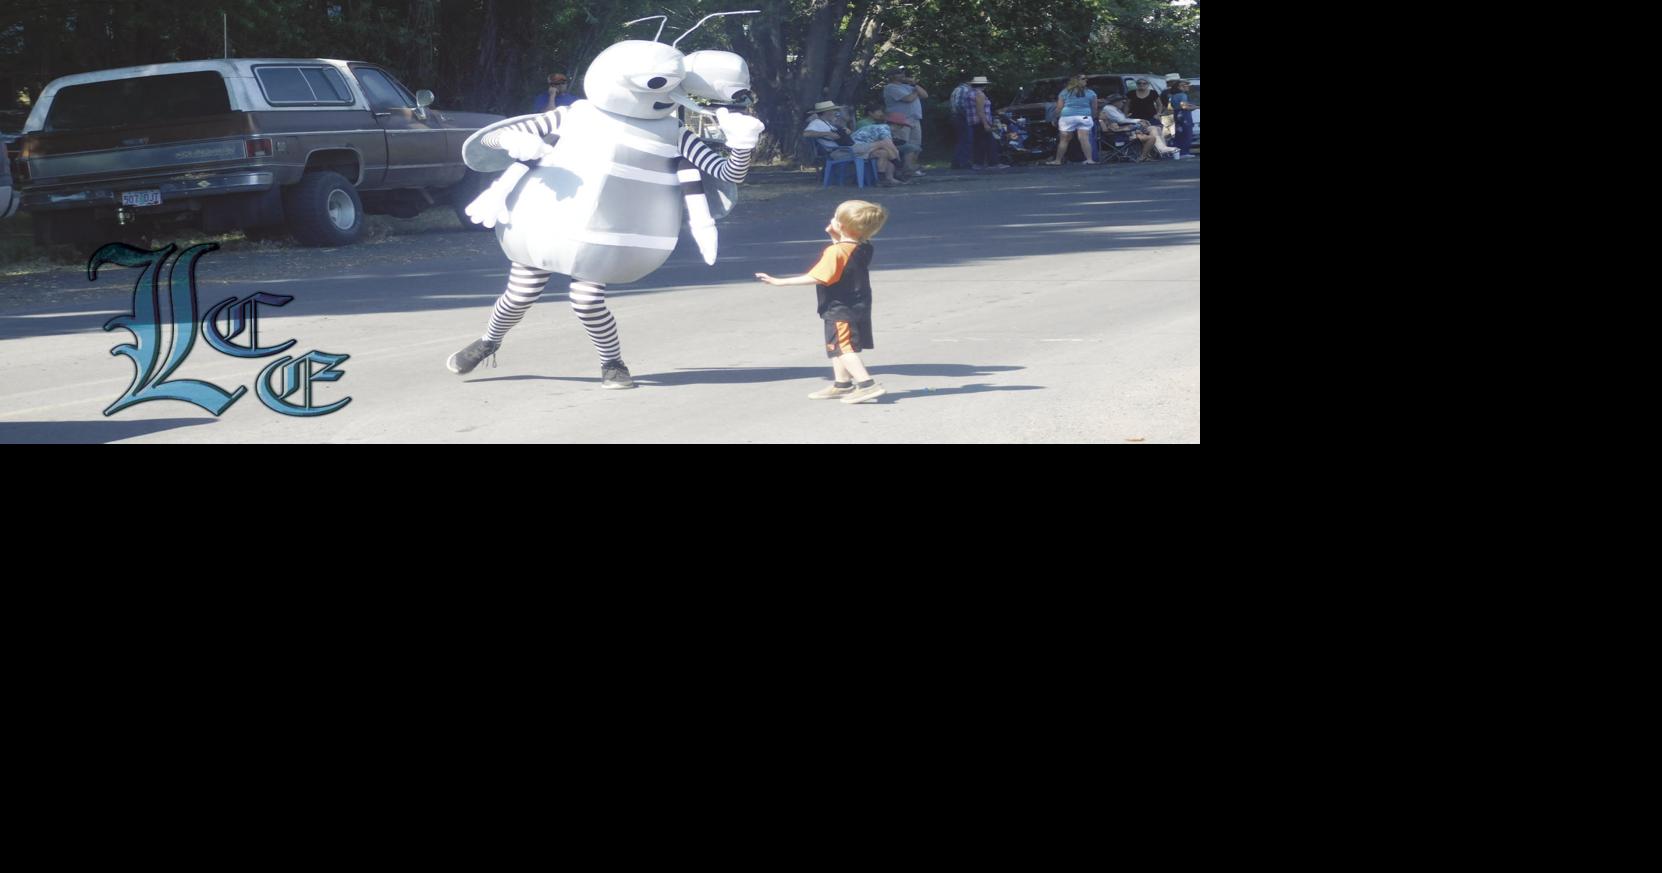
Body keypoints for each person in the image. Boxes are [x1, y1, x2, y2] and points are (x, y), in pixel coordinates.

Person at [754, 200, 890, 404]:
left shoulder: (835, 252)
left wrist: (780, 282)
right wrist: (835, 236)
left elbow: (819, 276)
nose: (832, 220)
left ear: (842, 225)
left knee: (843, 348)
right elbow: (846, 253)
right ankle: (842, 384)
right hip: (856, 304)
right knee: (836, 345)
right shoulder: (863, 247)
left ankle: (867, 385)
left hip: (840, 307)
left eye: (835, 218)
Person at [1099, 93, 1178, 160]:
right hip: (1119, 134)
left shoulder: (1114, 109)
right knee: (1152, 128)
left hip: (1124, 130)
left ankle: (1162, 148)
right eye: (1121, 101)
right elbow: (1121, 120)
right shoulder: (1109, 108)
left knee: (1156, 128)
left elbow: (1123, 119)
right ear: (1115, 102)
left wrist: (1138, 120)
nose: (1123, 103)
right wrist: (1139, 120)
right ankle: (1161, 148)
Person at [883, 68, 928, 177]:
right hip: (900, 121)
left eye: (903, 72)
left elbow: (925, 95)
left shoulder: (908, 86)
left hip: (914, 119)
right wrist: (915, 91)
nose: (903, 74)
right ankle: (897, 171)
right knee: (902, 146)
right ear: (892, 76)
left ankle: (909, 169)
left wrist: (915, 85)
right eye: (899, 73)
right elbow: (908, 99)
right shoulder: (890, 87)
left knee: (915, 146)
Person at [852, 106, 908, 185]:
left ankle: (884, 178)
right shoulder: (884, 128)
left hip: (865, 149)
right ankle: (898, 165)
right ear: (897, 125)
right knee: (884, 144)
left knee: (884, 153)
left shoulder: (881, 128)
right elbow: (890, 145)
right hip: (855, 148)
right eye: (902, 126)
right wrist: (897, 156)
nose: (902, 128)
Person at [966, 76, 1008, 170]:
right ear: (984, 85)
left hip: (973, 121)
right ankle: (993, 163)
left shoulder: (970, 94)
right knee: (990, 142)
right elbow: (980, 110)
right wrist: (985, 123)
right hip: (981, 121)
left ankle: (978, 163)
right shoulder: (979, 94)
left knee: (979, 143)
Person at [948, 76, 975, 169]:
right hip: (962, 118)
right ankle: (963, 162)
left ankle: (956, 162)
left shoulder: (957, 89)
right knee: (966, 140)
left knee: (961, 140)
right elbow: (960, 105)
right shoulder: (964, 90)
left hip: (956, 117)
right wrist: (968, 116)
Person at [1167, 77, 1197, 157]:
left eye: (1187, 85)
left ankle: (1177, 152)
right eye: (1184, 85)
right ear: (1179, 87)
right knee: (1187, 133)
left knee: (1179, 134)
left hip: (1177, 114)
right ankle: (1184, 152)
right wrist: (1196, 107)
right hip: (1184, 115)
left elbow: (1175, 106)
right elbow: (1185, 107)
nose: (1187, 86)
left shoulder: (1174, 95)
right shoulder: (1182, 95)